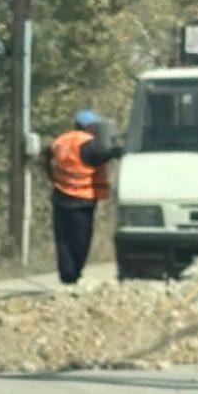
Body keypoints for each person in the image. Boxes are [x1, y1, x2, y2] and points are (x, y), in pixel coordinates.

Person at [43, 109, 122, 284]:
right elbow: (105, 155)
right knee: (80, 240)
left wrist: (51, 176)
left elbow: (46, 155)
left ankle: (66, 275)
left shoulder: (60, 140)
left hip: (61, 197)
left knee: (62, 239)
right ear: (90, 126)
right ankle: (74, 273)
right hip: (82, 200)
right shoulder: (90, 144)